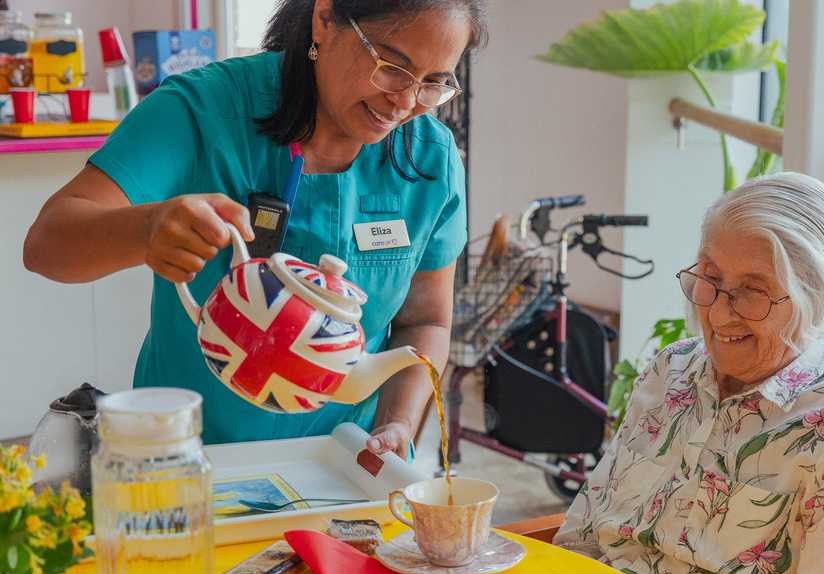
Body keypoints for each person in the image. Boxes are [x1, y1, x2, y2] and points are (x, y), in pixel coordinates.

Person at [23, 0, 487, 457]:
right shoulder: (201, 111)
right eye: (391, 65)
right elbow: (47, 243)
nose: (405, 102)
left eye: (432, 83)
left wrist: (396, 426)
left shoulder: (429, 157)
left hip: (348, 466)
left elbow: (424, 321)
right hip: (191, 462)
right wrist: (144, 231)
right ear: (325, 18)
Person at [554, 173, 824, 574]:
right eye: (712, 278)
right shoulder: (672, 370)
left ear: (815, 296)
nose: (721, 314)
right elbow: (582, 534)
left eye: (753, 291)